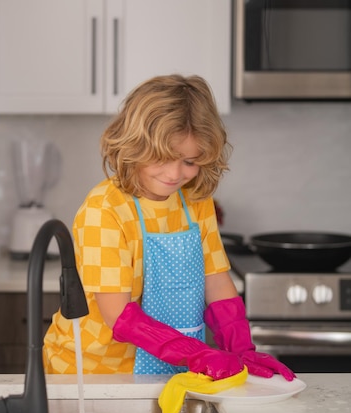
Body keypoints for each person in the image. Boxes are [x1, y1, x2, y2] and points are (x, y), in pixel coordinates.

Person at [43, 74, 294, 381]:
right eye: (163, 158)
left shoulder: (196, 200)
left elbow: (216, 282)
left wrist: (242, 349)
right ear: (134, 144)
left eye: (190, 161)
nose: (175, 174)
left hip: (170, 366)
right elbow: (118, 315)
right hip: (94, 372)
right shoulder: (104, 209)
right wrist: (197, 353)